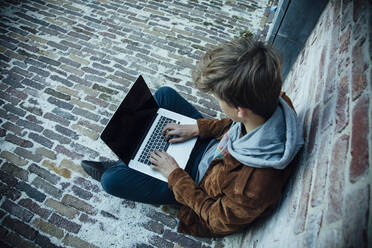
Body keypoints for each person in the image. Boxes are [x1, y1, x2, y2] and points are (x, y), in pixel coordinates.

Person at [81, 37, 304, 237]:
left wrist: (174, 174)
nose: (217, 102)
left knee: (111, 181)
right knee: (164, 95)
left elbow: (216, 220)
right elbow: (232, 123)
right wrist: (198, 128)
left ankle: (127, 165)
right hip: (212, 150)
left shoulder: (253, 186)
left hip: (196, 181)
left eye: (218, 98)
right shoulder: (272, 101)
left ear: (240, 109)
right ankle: (133, 160)